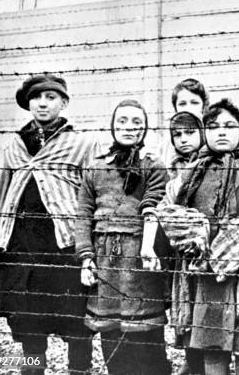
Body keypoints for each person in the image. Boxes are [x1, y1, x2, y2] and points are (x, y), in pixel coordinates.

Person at [0, 75, 99, 374]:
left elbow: (93, 197)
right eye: (37, 98)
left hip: (64, 252)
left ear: (64, 103)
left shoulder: (81, 144)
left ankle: (79, 371)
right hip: (22, 253)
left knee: (77, 327)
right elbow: (0, 200)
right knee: (28, 328)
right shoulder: (15, 147)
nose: (43, 103)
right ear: (28, 103)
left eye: (50, 97)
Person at [158, 98, 239, 375]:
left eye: (230, 125)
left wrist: (229, 244)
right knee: (211, 350)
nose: (222, 132)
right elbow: (167, 210)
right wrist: (196, 231)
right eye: (214, 126)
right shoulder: (191, 173)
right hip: (203, 277)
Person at [75, 99, 171, 375]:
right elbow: (83, 214)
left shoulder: (154, 166)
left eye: (136, 123)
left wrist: (148, 247)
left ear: (145, 129)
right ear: (113, 127)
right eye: (122, 122)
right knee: (111, 336)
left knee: (147, 340)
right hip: (105, 261)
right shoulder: (95, 168)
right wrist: (86, 258)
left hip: (140, 261)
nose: (129, 128)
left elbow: (156, 208)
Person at [166, 110, 206, 375]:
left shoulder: (208, 164)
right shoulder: (172, 168)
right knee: (186, 309)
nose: (183, 140)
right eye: (177, 135)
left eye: (190, 133)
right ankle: (192, 364)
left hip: (204, 250)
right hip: (180, 252)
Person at [161, 78, 209, 171]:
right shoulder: (167, 141)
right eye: (182, 104)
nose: (188, 108)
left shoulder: (210, 135)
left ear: (203, 106)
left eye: (194, 103)